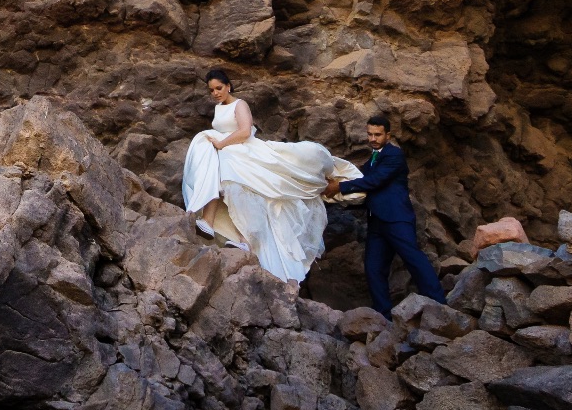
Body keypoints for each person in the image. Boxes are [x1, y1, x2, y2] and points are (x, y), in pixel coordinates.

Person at [182, 69, 362, 282]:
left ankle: (245, 238)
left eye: (218, 88)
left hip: (242, 149)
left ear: (228, 85)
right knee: (227, 183)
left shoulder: (240, 104)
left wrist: (221, 144)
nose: (215, 93)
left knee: (241, 186)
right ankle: (212, 223)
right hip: (229, 152)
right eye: (211, 90)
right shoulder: (218, 108)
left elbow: (245, 131)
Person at [325, 114, 446, 317]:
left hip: (397, 219)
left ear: (387, 135)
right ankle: (383, 315)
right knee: (373, 268)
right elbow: (361, 181)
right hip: (377, 222)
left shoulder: (394, 155)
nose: (373, 138)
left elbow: (375, 181)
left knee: (414, 259)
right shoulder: (372, 160)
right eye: (370, 134)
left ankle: (440, 305)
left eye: (378, 135)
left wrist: (339, 186)